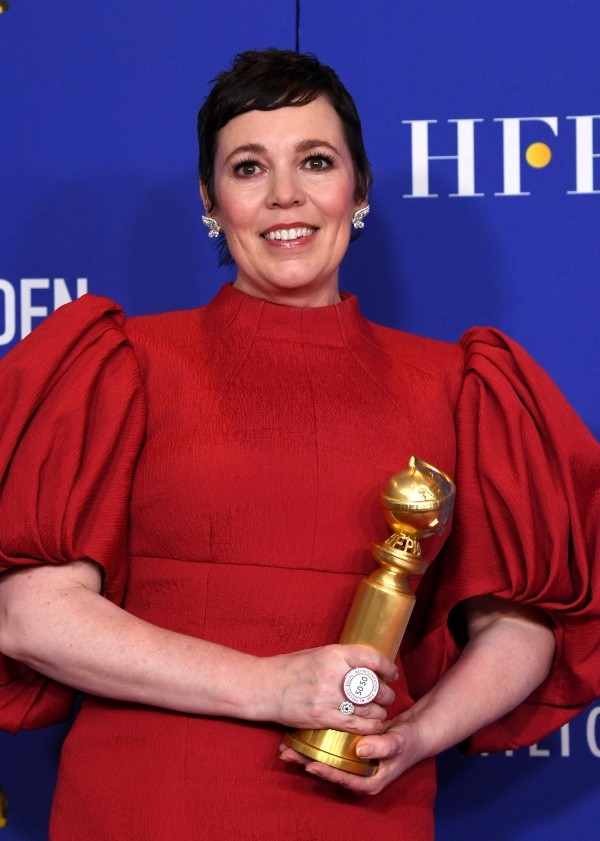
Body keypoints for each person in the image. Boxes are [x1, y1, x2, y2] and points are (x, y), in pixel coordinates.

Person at [0, 48, 598, 841]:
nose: (286, 194)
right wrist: (269, 685)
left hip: (366, 810)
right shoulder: (122, 364)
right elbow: (31, 616)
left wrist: (416, 733)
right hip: (147, 802)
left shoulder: (461, 384)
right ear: (212, 202)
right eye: (249, 167)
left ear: (359, 188)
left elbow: (518, 626)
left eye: (315, 161)